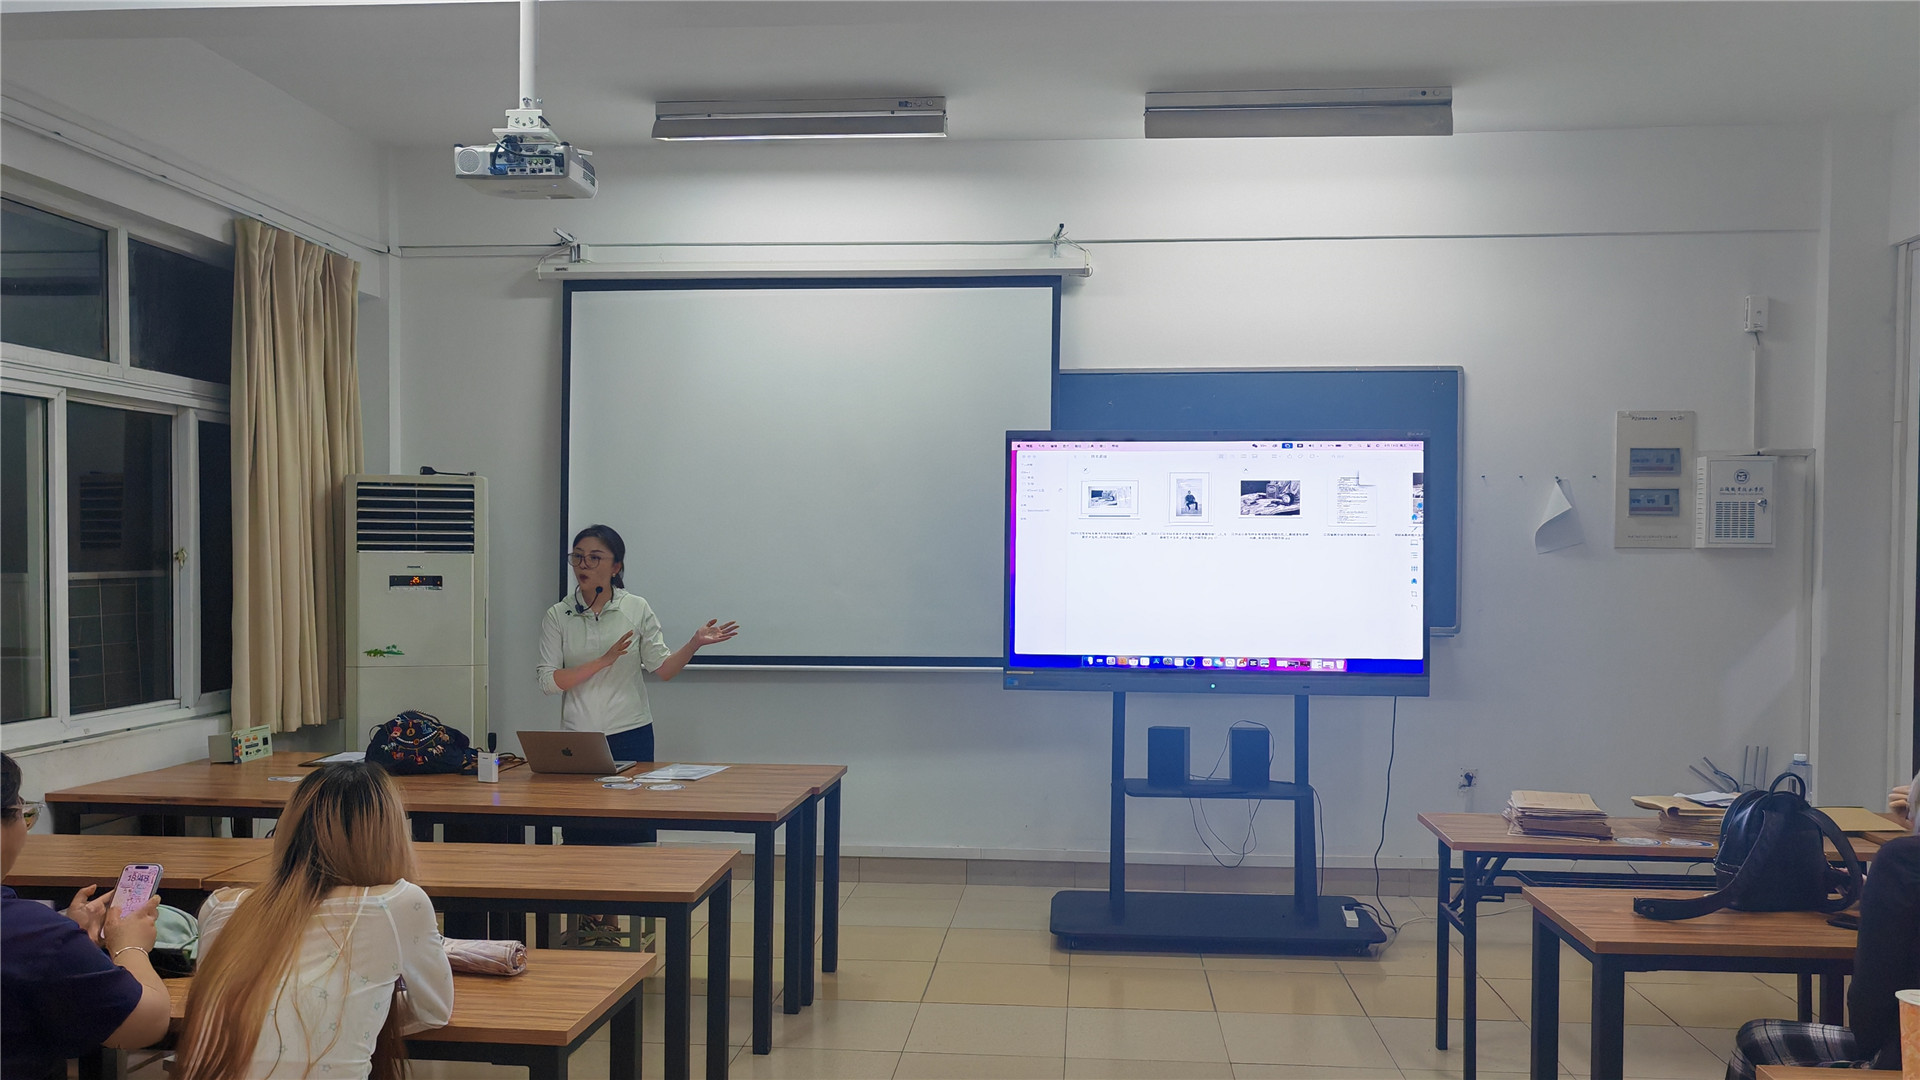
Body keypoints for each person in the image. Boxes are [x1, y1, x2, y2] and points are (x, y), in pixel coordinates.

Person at [176, 762, 452, 1080]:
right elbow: (434, 1010)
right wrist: (362, 1011)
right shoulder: (398, 904)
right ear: (391, 837)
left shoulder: (221, 907)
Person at [536, 523, 738, 844]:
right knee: (582, 833)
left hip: (630, 733)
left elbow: (664, 669)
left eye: (594, 558)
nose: (583, 565)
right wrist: (602, 661)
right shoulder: (558, 615)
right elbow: (549, 682)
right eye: (578, 557)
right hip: (580, 737)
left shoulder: (635, 607)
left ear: (616, 567)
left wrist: (694, 643)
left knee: (633, 832)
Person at [0, 752, 170, 1079]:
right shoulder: (35, 936)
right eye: (23, 811)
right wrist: (130, 946)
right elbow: (147, 1023)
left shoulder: (40, 936)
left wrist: (71, 943)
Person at [1724, 833, 1920, 1078]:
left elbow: (1870, 1008)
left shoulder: (1904, 860)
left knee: (1756, 1039)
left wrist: (1881, 895)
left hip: (1908, 1060)